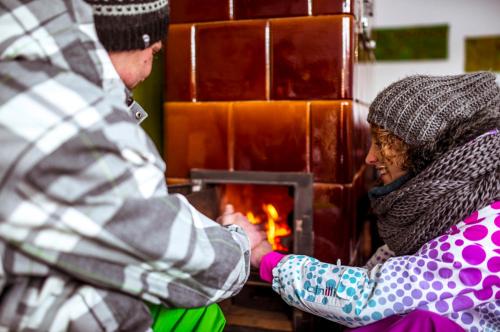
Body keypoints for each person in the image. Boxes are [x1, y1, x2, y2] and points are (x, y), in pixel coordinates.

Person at [0, 0, 264, 330]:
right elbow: (190, 266)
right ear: (134, 41)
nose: (150, 69)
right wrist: (243, 242)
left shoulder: (20, 77)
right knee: (198, 311)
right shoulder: (77, 123)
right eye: (154, 52)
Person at [249, 72, 500, 331]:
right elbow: (384, 273)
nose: (369, 157)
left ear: (428, 150)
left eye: (381, 143)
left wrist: (266, 258)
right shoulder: (448, 209)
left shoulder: (489, 232)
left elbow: (367, 295)